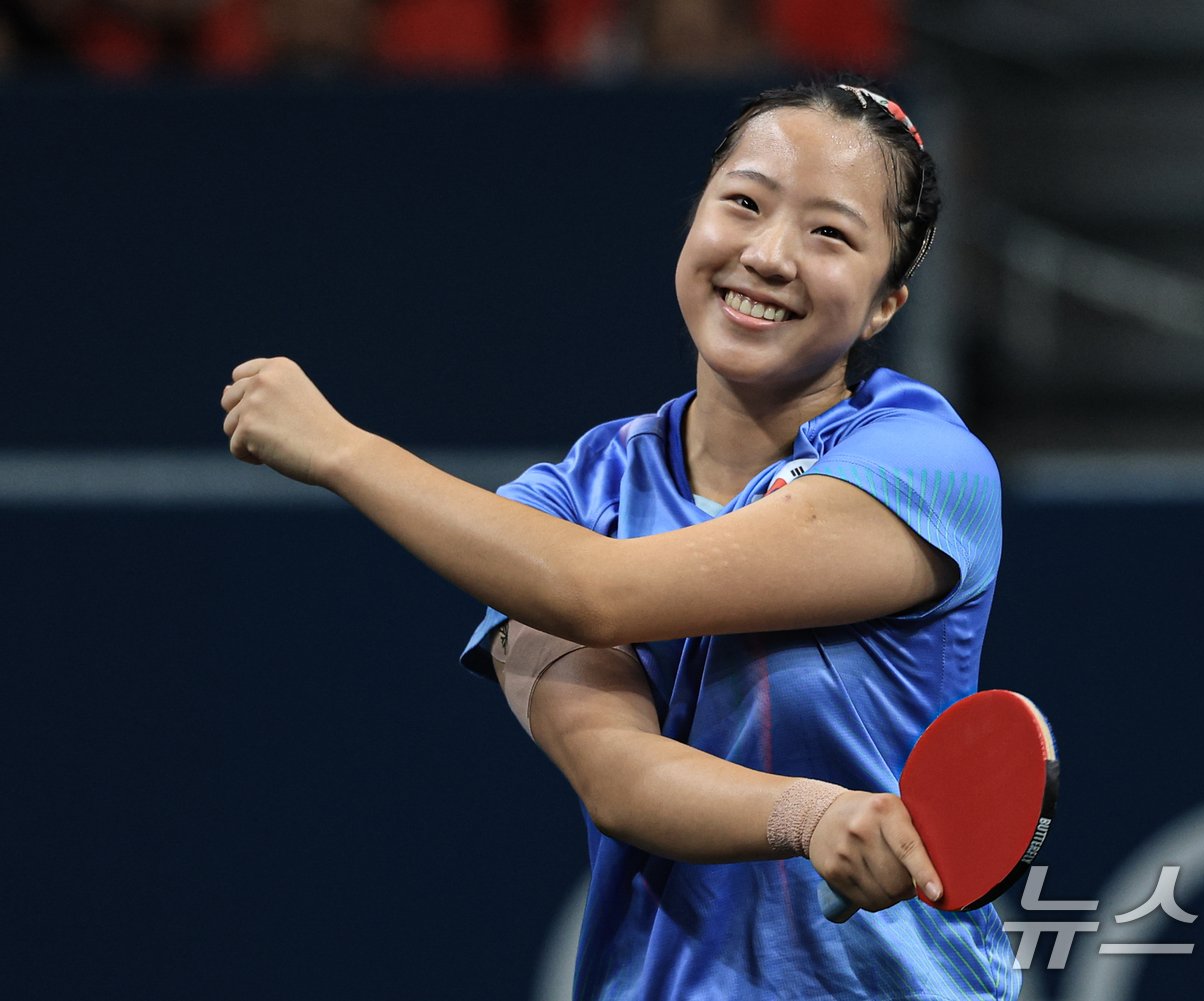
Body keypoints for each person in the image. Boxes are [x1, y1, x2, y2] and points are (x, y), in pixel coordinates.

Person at [221, 77, 1019, 999]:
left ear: (885, 304)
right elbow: (618, 776)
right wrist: (811, 814)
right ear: (695, 220)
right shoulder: (569, 500)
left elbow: (602, 592)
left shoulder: (925, 463)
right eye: (745, 204)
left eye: (829, 233)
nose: (768, 254)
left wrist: (341, 451)